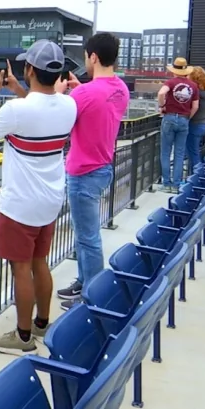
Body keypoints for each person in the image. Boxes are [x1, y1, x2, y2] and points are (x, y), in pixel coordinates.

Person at [0, 40, 76, 355]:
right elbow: (41, 107)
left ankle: (22, 338)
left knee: (20, 268)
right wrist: (20, 88)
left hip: (19, 204)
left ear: (30, 69)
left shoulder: (17, 110)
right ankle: (41, 325)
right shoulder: (68, 104)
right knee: (39, 263)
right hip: (49, 200)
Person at [53, 33, 129, 310]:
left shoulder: (83, 93)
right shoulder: (121, 88)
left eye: (87, 55)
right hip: (102, 167)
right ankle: (85, 281)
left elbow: (60, 121)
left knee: (87, 236)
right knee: (86, 234)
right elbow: (97, 106)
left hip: (84, 171)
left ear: (93, 57)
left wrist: (64, 95)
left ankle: (92, 296)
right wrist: (78, 90)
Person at [157, 57, 200, 193]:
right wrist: (187, 117)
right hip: (184, 119)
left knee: (165, 152)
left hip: (169, 117)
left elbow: (161, 93)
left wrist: (162, 105)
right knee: (179, 153)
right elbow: (195, 106)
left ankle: (166, 183)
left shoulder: (170, 82)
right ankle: (176, 185)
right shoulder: (193, 86)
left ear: (174, 70)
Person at [186, 66, 205, 173]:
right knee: (195, 152)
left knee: (192, 153)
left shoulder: (195, 92)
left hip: (193, 125)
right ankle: (194, 176)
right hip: (201, 124)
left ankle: (196, 177)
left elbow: (193, 108)